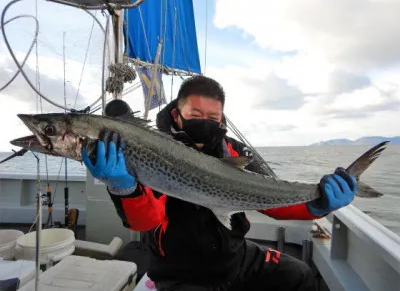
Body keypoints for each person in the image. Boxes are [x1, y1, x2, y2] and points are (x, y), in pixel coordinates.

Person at [82, 76, 358, 291]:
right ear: (177, 114)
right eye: (195, 114)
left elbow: (270, 200)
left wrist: (318, 204)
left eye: (213, 118)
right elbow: (147, 221)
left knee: (299, 275)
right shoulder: (154, 149)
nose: (205, 122)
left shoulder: (234, 152)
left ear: (222, 119)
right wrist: (123, 187)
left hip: (235, 259)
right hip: (179, 272)